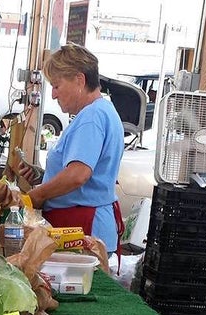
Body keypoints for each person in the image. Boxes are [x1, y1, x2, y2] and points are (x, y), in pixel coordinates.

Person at [17, 44, 125, 253]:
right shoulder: (103, 111)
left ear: (79, 80)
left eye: (57, 86)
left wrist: (37, 194)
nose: (54, 95)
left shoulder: (91, 117)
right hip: (87, 224)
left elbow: (78, 175)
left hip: (83, 228)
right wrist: (43, 177)